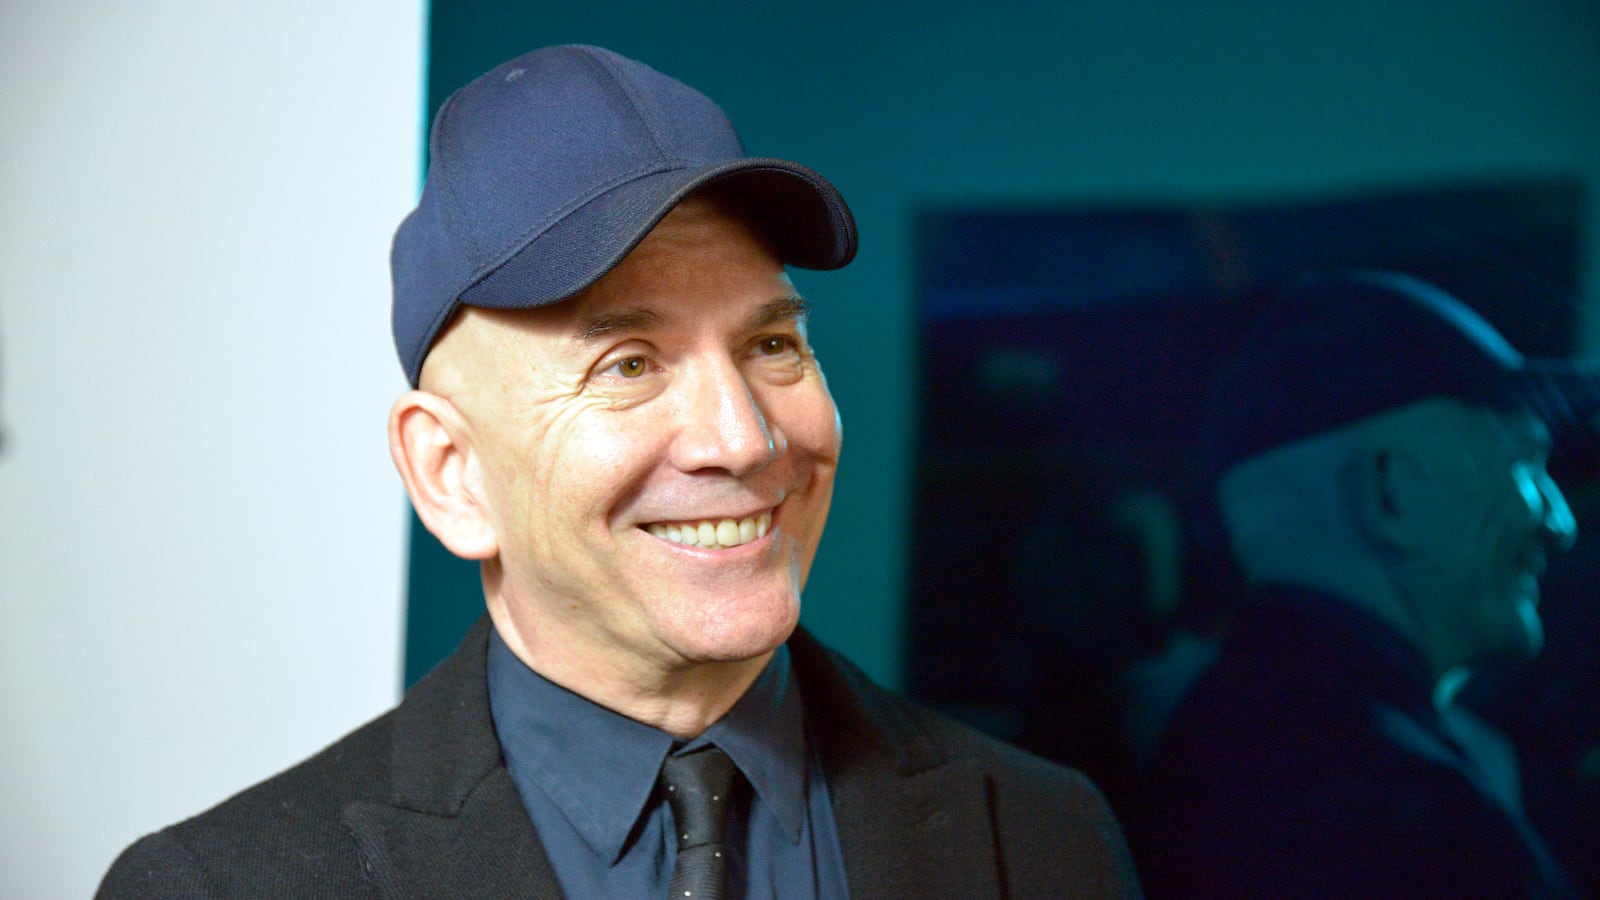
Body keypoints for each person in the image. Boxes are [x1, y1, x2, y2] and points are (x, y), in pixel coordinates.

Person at [97, 44, 1141, 898]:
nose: (741, 440)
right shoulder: (221, 885)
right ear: (450, 471)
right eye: (628, 364)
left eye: (772, 345)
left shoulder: (1047, 839)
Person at [1131, 269, 1590, 898]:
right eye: (1524, 465)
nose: (1560, 524)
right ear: (1390, 491)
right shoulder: (1391, 808)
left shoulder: (1239, 748)